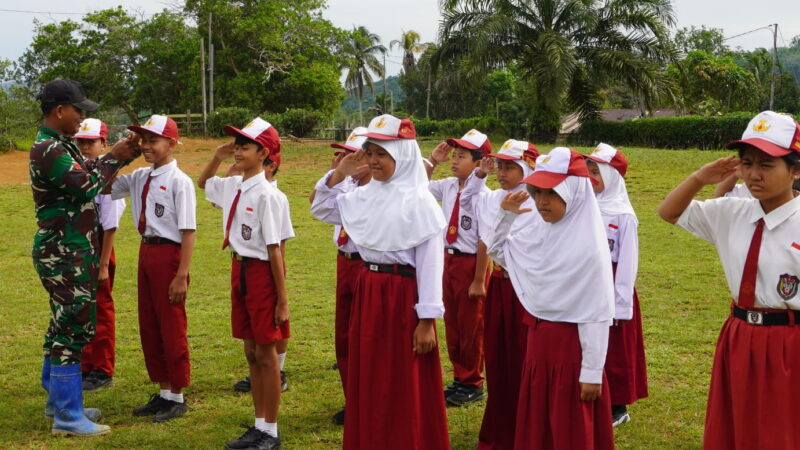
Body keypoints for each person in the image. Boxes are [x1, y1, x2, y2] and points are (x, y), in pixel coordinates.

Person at [658, 111, 800, 449]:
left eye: (767, 165)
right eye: (747, 163)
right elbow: (669, 212)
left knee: (781, 430)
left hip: (789, 342)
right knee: (735, 424)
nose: (754, 174)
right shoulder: (731, 212)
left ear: (795, 170)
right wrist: (699, 178)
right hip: (739, 334)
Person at [311, 114, 451, 449]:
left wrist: (426, 320)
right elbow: (321, 208)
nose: (373, 161)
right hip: (368, 290)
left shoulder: (420, 202)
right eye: (370, 153)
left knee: (401, 376)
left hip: (402, 296)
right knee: (370, 372)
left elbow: (431, 265)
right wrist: (341, 173)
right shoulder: (363, 196)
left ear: (402, 156)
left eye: (382, 154)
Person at [30, 78, 139, 436]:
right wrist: (115, 156)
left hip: (69, 247)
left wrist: (124, 155)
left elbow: (91, 175)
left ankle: (59, 401)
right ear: (60, 110)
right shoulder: (49, 149)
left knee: (62, 324)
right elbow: (88, 185)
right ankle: (67, 414)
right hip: (64, 250)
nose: (81, 118)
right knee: (73, 328)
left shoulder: (60, 144)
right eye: (78, 110)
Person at [488, 147, 615, 449]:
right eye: (537, 192)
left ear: (573, 193)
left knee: (568, 425)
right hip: (538, 346)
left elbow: (596, 314)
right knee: (539, 421)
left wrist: (592, 372)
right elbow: (497, 251)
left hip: (569, 353)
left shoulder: (589, 250)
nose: (541, 202)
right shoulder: (539, 234)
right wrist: (505, 216)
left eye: (551, 193)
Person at [198, 117, 289, 450]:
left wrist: (282, 300)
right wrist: (218, 157)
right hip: (239, 269)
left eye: (245, 147)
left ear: (263, 153)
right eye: (236, 145)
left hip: (261, 273)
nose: (237, 151)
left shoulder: (267, 195)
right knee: (251, 352)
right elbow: (203, 183)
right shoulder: (234, 185)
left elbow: (275, 249)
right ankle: (258, 424)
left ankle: (270, 431)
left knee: (266, 354)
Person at [111, 114, 196, 423]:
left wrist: (181, 274)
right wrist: (121, 156)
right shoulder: (139, 176)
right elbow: (103, 187)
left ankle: (177, 395)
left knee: (171, 324)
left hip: (169, 253)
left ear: (171, 143)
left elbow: (188, 231)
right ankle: (163, 392)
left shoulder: (179, 181)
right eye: (143, 140)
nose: (146, 146)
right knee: (150, 324)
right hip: (146, 249)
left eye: (153, 140)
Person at [460, 139, 537, 450]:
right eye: (500, 166)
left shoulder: (539, 200)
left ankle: (528, 426)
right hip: (500, 284)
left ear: (527, 169)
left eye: (510, 167)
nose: (503, 173)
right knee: (498, 357)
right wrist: (481, 174)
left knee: (524, 357)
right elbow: (468, 202)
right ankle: (503, 424)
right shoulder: (494, 198)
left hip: (526, 289)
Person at [425, 129, 492, 406]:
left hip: (471, 263)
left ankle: (473, 381)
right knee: (452, 322)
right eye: (454, 155)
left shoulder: (484, 195)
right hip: (447, 259)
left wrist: (478, 279)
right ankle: (458, 378)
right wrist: (432, 161)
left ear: (479, 162)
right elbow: (418, 188)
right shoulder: (449, 186)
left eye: (461, 156)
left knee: (471, 326)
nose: (454, 160)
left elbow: (484, 239)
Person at [584, 143, 648, 426]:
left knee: (615, 347)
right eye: (588, 170)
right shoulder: (585, 205)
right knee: (589, 340)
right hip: (587, 282)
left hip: (612, 285)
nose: (590, 177)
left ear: (611, 176)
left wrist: (621, 306)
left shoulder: (623, 214)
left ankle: (617, 405)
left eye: (596, 171)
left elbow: (627, 263)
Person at [311, 127, 371, 425]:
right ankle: (354, 399)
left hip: (367, 266)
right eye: (346, 155)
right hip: (345, 262)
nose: (348, 160)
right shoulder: (347, 185)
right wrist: (337, 174)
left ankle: (368, 400)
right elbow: (317, 206)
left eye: (354, 155)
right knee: (345, 336)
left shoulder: (376, 192)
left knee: (366, 338)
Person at [232, 147, 294, 396]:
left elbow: (279, 245)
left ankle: (279, 370)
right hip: (245, 266)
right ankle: (267, 373)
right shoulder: (245, 190)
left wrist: (281, 290)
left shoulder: (273, 196)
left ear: (270, 165)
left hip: (265, 267)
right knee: (252, 341)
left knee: (272, 329)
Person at [74, 118, 127, 391]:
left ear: (104, 144)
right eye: (81, 141)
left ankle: (102, 369)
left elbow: (110, 226)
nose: (85, 147)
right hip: (79, 250)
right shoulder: (78, 174)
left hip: (99, 250)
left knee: (101, 309)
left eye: (91, 142)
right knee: (82, 308)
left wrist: (104, 264)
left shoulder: (107, 178)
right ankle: (85, 365)